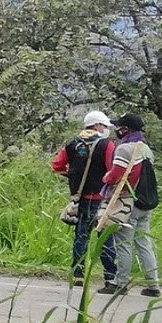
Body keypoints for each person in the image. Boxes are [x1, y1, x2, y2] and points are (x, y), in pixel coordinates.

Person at [96, 113, 162, 296]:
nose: (116, 130)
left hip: (127, 202)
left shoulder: (124, 149)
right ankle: (153, 285)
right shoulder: (146, 149)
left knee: (123, 243)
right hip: (145, 202)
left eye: (119, 127)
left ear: (126, 129)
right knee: (143, 243)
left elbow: (115, 175)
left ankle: (120, 283)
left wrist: (105, 177)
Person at [50, 110, 117, 287]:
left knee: (81, 236)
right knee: (106, 238)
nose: (105, 129)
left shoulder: (72, 143)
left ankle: (78, 274)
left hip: (79, 199)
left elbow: (56, 166)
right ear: (96, 125)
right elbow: (112, 171)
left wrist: (73, 176)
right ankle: (110, 277)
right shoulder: (106, 145)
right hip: (101, 198)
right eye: (104, 126)